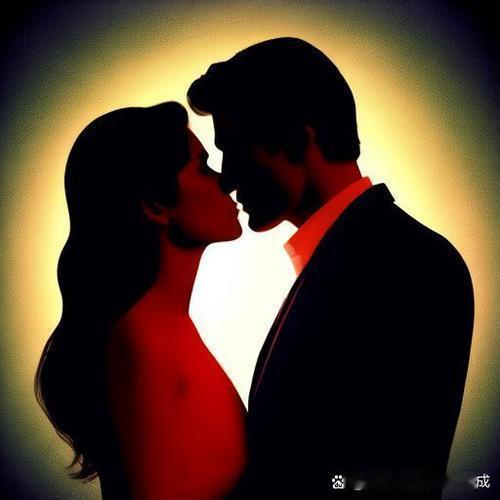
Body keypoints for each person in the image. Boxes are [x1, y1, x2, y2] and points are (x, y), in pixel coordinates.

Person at [188, 37, 475, 498]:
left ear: (297, 140)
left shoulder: (408, 265)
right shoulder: (358, 258)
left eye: (237, 148)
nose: (227, 176)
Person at [35, 102, 246, 499]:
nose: (227, 181)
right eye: (203, 167)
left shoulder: (162, 330)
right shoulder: (143, 345)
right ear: (155, 205)